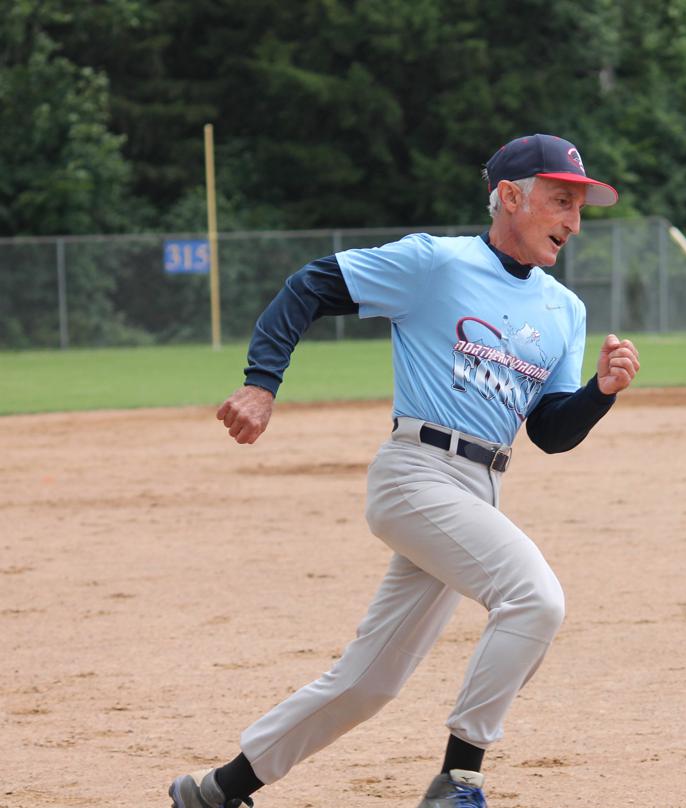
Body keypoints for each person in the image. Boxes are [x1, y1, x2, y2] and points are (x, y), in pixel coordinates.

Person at [167, 133, 640, 808]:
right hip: (415, 475)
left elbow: (550, 431)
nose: (574, 220)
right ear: (509, 197)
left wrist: (599, 392)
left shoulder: (564, 309)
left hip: (479, 489)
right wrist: (261, 383)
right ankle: (461, 777)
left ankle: (216, 790)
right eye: (561, 200)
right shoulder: (435, 265)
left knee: (370, 681)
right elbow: (310, 285)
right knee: (534, 598)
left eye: (580, 206)